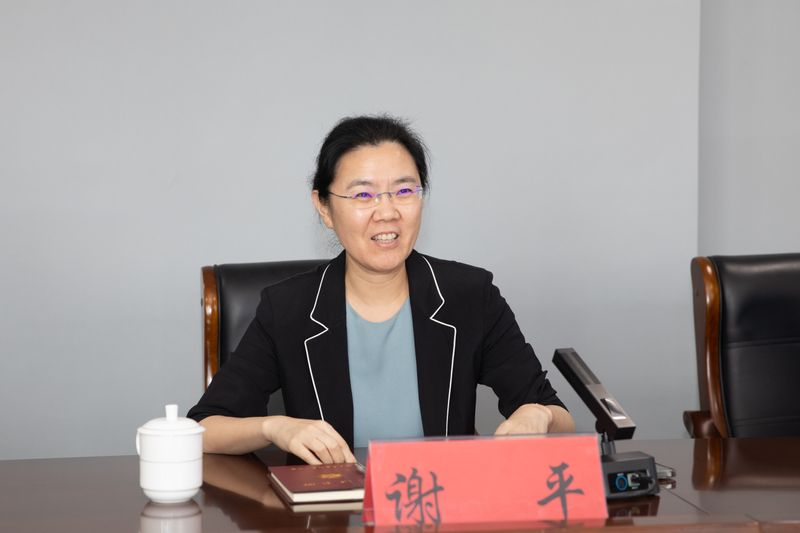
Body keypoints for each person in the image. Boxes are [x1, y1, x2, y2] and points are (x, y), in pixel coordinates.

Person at [188, 115, 574, 464]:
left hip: (440, 506)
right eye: (363, 195)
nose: (387, 212)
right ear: (324, 207)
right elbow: (204, 427)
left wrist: (536, 414)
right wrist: (276, 428)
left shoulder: (470, 296)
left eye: (404, 191)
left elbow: (559, 417)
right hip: (332, 511)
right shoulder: (288, 308)